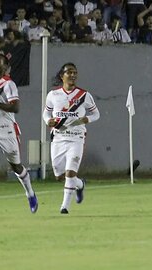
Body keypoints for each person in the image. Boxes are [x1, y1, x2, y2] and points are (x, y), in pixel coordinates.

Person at [0, 53, 38, 217]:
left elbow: (15, 108)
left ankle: (30, 194)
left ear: (5, 67)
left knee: (16, 167)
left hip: (7, 130)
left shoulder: (9, 84)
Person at [42, 62, 100, 214]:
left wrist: (87, 119)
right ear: (62, 76)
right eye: (69, 72)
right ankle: (80, 185)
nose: (73, 75)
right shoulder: (53, 95)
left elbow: (96, 114)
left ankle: (64, 207)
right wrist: (48, 121)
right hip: (58, 138)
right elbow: (46, 113)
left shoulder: (84, 95)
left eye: (75, 72)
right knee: (59, 175)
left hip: (76, 138)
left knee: (70, 172)